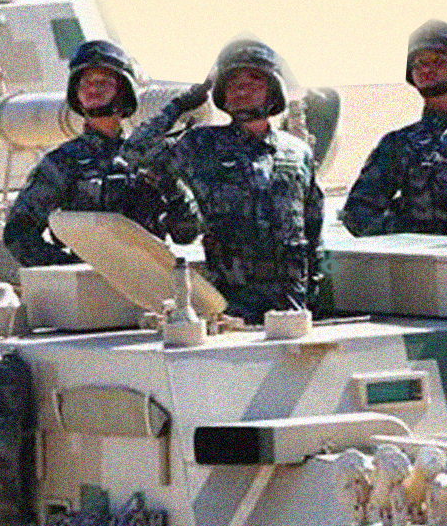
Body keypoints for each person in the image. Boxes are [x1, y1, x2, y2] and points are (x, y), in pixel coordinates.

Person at [125, 37, 323, 322]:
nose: (241, 90)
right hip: (230, 306)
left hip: (292, 305)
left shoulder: (297, 151)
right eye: (232, 84)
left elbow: (313, 227)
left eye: (254, 82)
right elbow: (133, 153)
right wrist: (179, 106)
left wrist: (314, 294)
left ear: (273, 91)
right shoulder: (201, 144)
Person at [3, 40, 201, 266]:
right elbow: (18, 233)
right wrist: (74, 269)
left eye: (104, 82)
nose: (93, 88)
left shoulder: (148, 156)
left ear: (123, 91)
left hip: (149, 279)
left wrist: (171, 186)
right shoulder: (63, 162)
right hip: (92, 284)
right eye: (86, 82)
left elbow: (186, 234)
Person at [340, 20, 447, 238]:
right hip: (423, 258)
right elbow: (357, 214)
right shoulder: (399, 144)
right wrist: (415, 234)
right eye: (419, 62)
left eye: (438, 61)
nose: (427, 69)